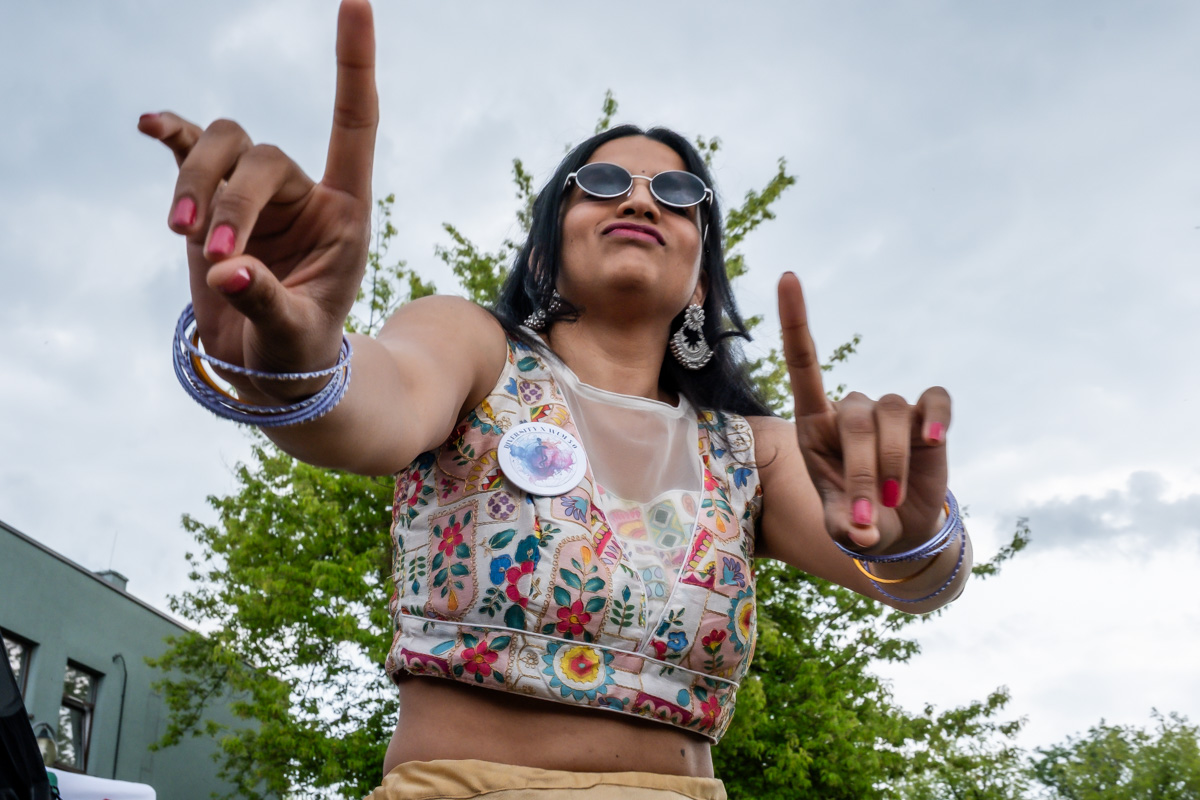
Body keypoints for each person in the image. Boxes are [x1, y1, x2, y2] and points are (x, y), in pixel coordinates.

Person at [140, 2, 972, 798]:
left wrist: (913, 534)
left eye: (678, 195)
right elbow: (366, 411)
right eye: (604, 181)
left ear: (699, 282)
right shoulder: (471, 348)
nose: (641, 199)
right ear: (545, 249)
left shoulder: (753, 451)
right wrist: (292, 358)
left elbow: (918, 581)